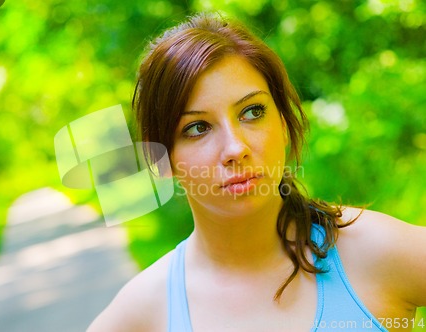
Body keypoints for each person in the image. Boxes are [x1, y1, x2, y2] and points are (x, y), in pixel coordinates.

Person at [87, 13, 426, 331]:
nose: (235, 148)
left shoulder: (375, 252)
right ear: (160, 159)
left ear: (282, 121)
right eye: (197, 128)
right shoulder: (144, 313)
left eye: (252, 111)